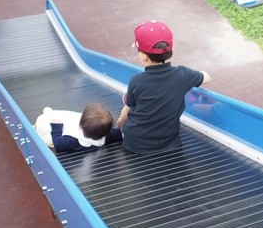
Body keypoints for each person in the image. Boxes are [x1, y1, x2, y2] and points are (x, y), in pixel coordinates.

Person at [117, 20, 211, 154]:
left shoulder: (136, 81)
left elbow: (127, 110)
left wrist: (120, 123)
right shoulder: (183, 75)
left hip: (135, 145)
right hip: (170, 144)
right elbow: (206, 77)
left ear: (143, 56)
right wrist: (196, 75)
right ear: (172, 49)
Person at [34, 103, 122, 153]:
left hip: (56, 131)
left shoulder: (72, 139)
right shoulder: (106, 136)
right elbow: (117, 133)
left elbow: (58, 143)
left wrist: (56, 126)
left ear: (81, 125)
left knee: (47, 135)